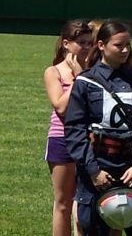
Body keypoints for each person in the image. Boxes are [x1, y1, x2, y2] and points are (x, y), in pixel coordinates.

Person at [65, 20, 132, 235]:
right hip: (98, 171)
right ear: (101, 45)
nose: (126, 50)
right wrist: (93, 171)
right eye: (118, 45)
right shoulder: (86, 82)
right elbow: (74, 131)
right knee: (94, 229)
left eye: (128, 45)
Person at [43, 20, 93, 236]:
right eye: (82, 43)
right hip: (61, 139)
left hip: (88, 140)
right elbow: (61, 107)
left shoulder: (93, 70)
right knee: (63, 202)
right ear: (66, 44)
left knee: (84, 200)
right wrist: (78, 78)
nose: (87, 48)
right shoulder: (53, 71)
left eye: (90, 43)